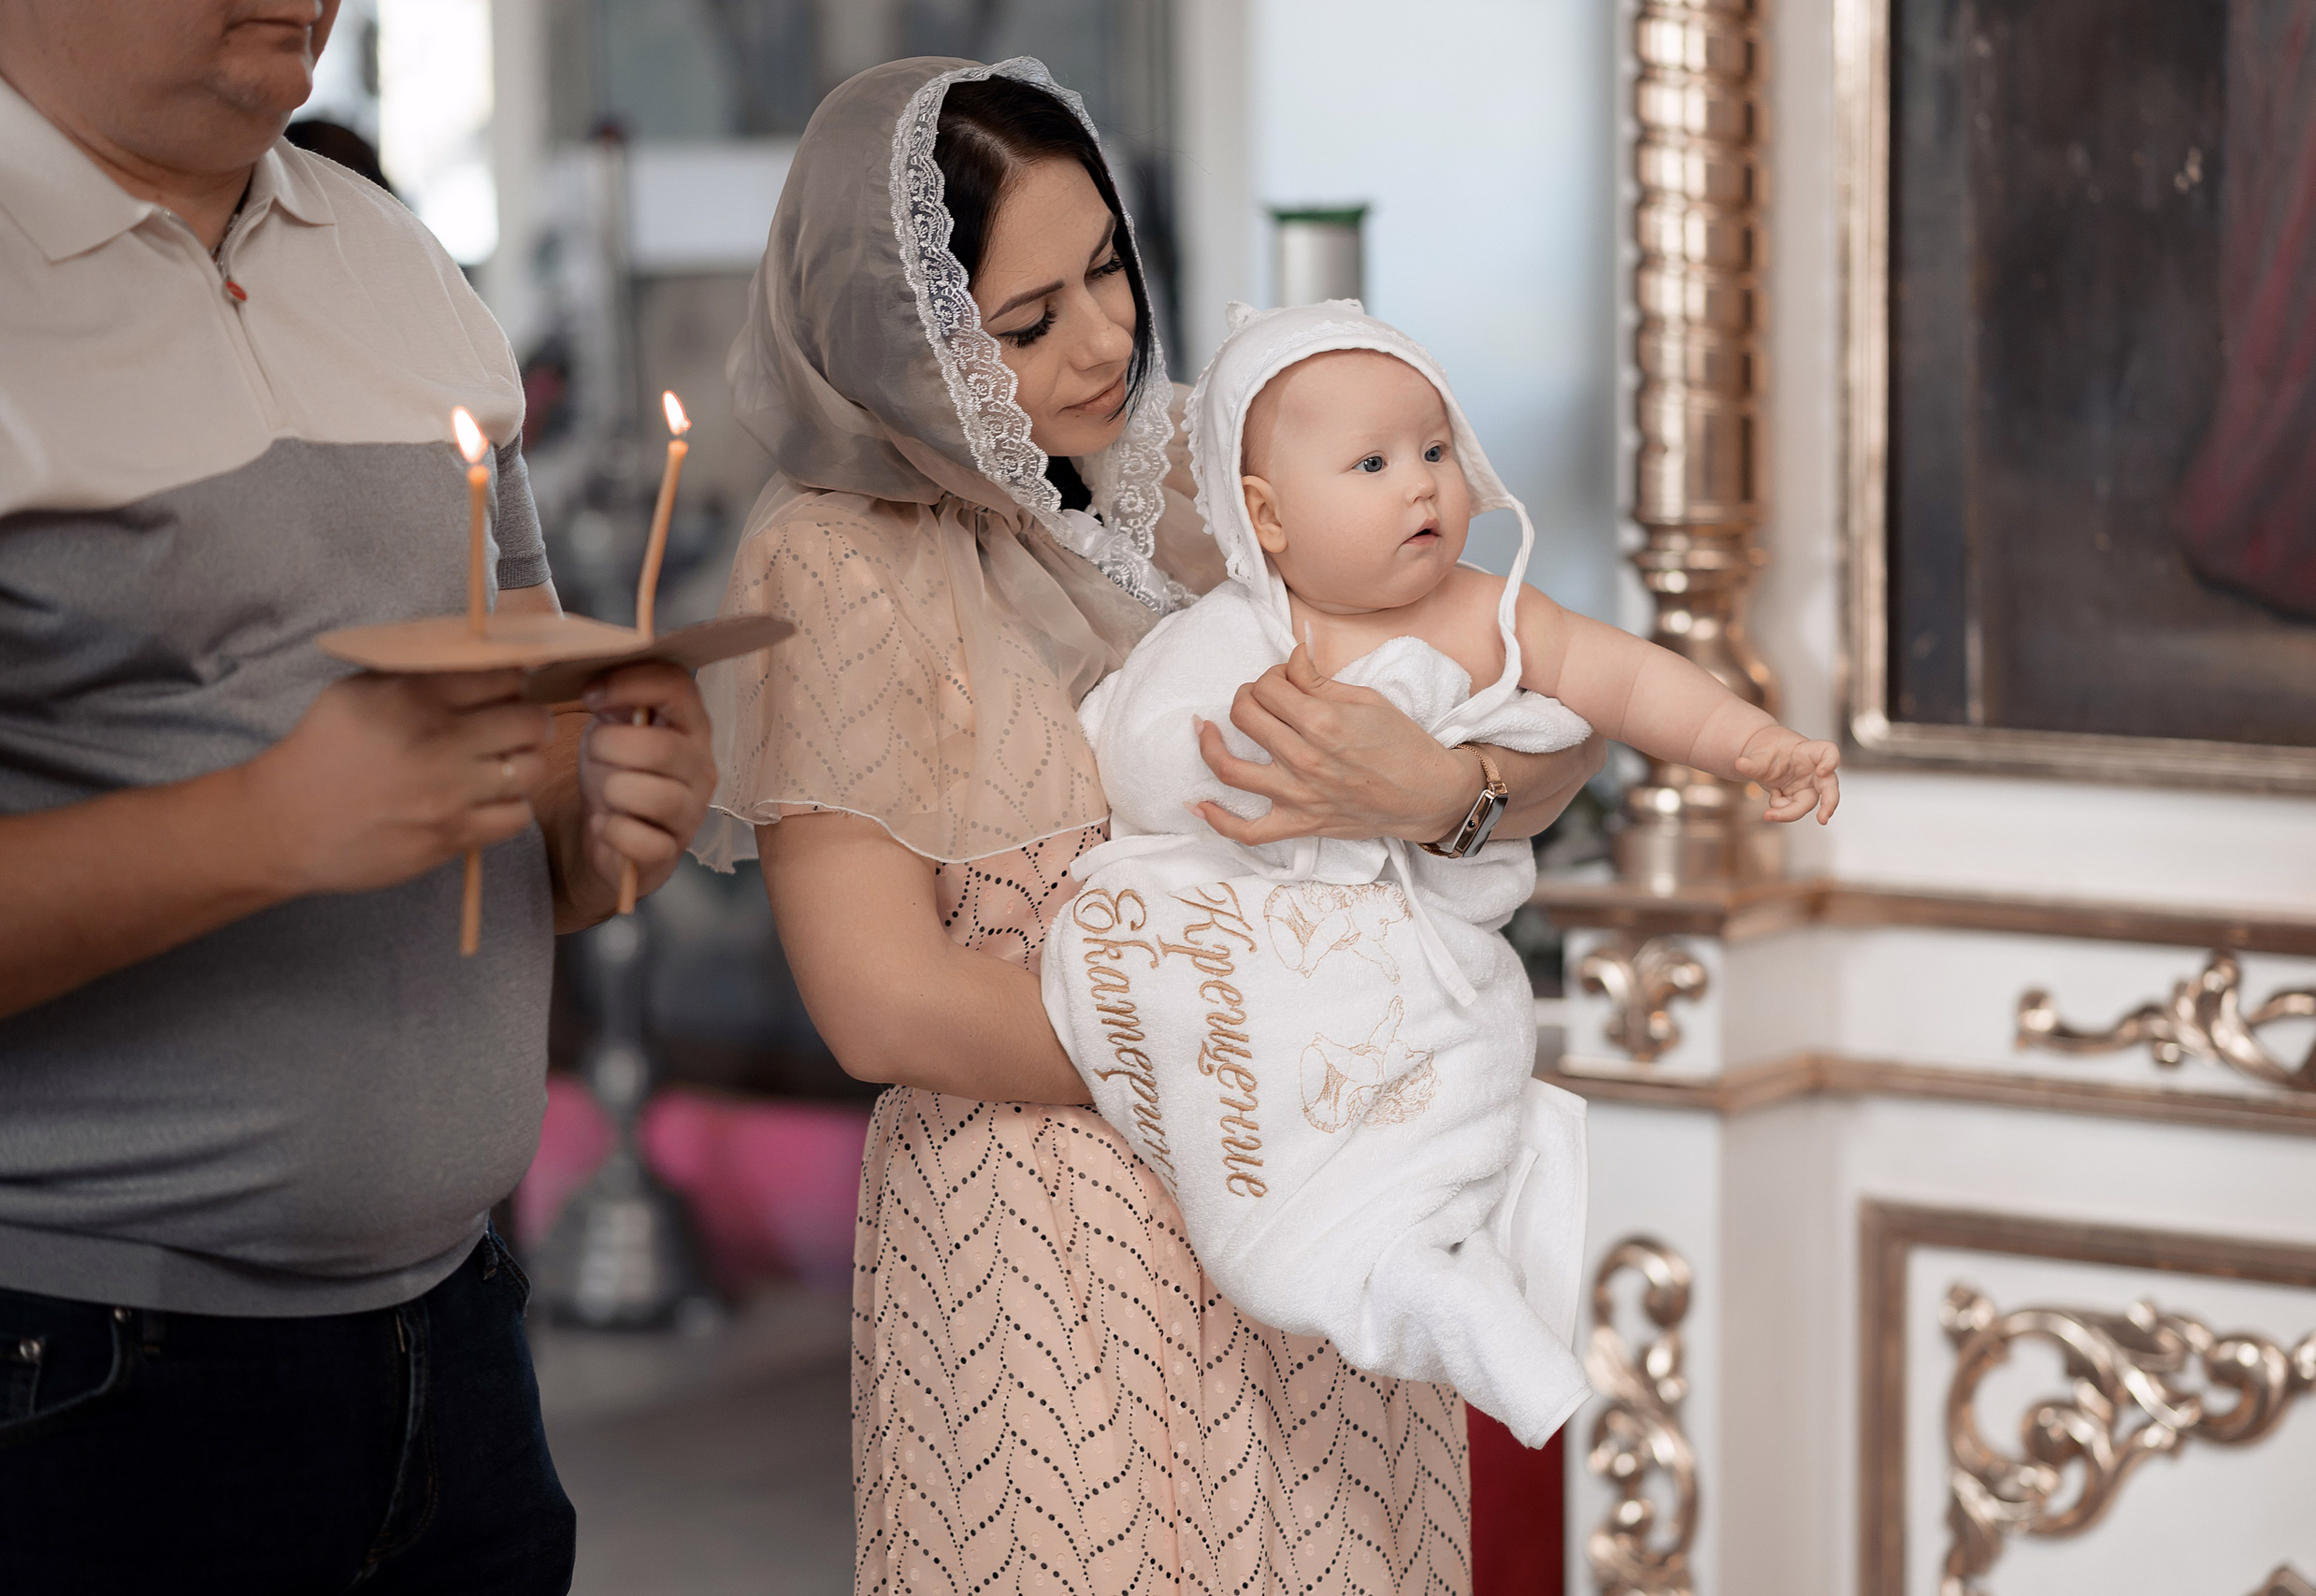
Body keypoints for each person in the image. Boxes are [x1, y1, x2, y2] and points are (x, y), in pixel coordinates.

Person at [696, 58, 1604, 1591]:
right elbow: (877, 998)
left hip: (1323, 1192)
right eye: (1029, 321)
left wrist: (1439, 794)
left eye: (1110, 264)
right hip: (1050, 1227)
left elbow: (1552, 699)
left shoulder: (1208, 464)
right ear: (911, 336)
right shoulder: (834, 567)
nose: (1107, 338)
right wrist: (1254, 1046)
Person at [0, 3, 716, 1589]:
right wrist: (261, 826)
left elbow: (535, 789)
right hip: (79, 1374)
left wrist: (606, 816)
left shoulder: (386, 256)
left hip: (454, 1338)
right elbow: (315, 806)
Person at [1045, 300, 1841, 1447]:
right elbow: (1144, 753)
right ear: (1265, 518)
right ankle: (1383, 1267)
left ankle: (1443, 1255)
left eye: (1432, 450)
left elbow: (1627, 682)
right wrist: (1260, 770)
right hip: (1278, 952)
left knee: (1462, 1074)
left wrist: (1750, 743)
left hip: (1424, 957)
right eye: (1370, 463)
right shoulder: (1239, 639)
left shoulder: (1486, 613)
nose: (1420, 487)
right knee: (1262, 1087)